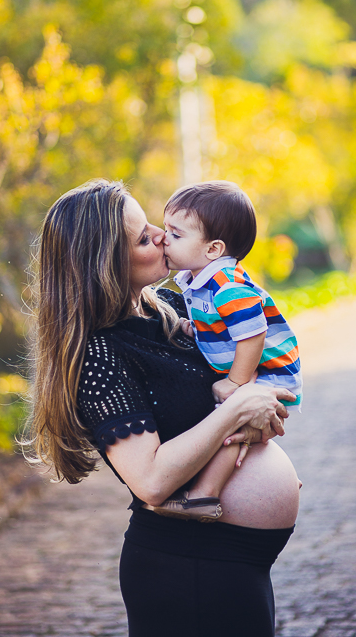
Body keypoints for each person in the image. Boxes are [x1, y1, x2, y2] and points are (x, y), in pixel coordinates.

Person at [29, 178, 301, 637]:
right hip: (189, 570)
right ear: (105, 265)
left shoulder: (174, 309)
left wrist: (259, 423)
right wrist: (238, 409)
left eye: (153, 225)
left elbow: (247, 357)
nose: (160, 236)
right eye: (142, 238)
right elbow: (152, 481)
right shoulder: (100, 354)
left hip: (238, 564)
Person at [151, 180, 302, 521]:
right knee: (230, 423)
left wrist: (236, 382)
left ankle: (204, 496)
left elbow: (253, 335)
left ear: (213, 249)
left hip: (269, 372)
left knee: (229, 424)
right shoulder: (201, 279)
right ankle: (268, 478)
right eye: (165, 229)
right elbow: (221, 323)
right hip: (254, 371)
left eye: (175, 234)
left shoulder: (227, 285)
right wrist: (194, 327)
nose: (164, 239)